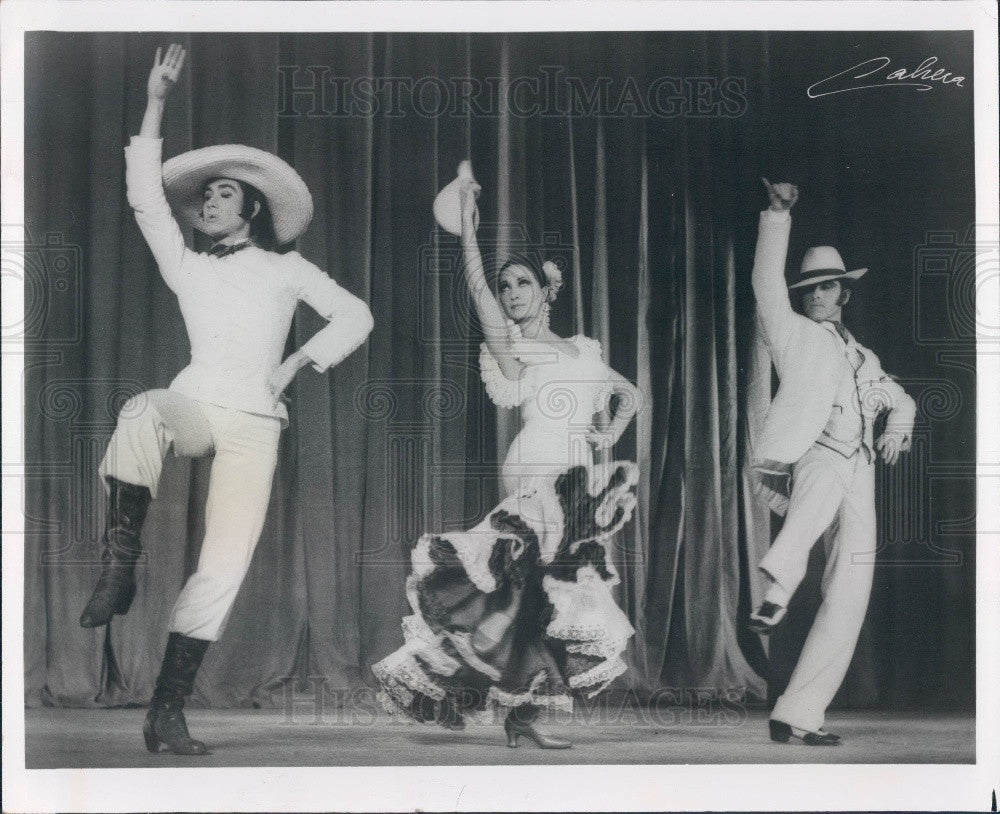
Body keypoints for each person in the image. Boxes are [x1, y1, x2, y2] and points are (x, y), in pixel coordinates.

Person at [78, 44, 374, 755]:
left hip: (256, 427)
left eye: (222, 195)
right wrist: (155, 103)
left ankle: (166, 711)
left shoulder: (285, 267)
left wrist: (297, 362)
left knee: (224, 565)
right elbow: (146, 197)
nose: (208, 202)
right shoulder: (185, 265)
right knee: (141, 410)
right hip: (198, 405)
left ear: (252, 209)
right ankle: (122, 557)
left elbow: (356, 316)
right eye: (204, 195)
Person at [372, 173, 640, 749]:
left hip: (578, 475)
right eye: (507, 285)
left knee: (541, 598)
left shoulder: (584, 348)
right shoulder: (512, 347)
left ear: (548, 289)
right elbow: (476, 293)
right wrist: (469, 234)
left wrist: (606, 431)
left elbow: (630, 393)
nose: (513, 292)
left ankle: (508, 710)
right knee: (526, 588)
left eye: (523, 283)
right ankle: (482, 698)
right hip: (538, 465)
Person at [746, 179, 916, 745]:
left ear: (844, 291)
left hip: (860, 470)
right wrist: (776, 217)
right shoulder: (791, 334)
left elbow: (902, 397)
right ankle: (777, 587)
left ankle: (799, 713)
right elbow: (765, 284)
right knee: (811, 506)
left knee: (850, 589)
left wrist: (899, 426)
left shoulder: (865, 355)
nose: (816, 296)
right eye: (809, 289)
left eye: (827, 288)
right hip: (818, 454)